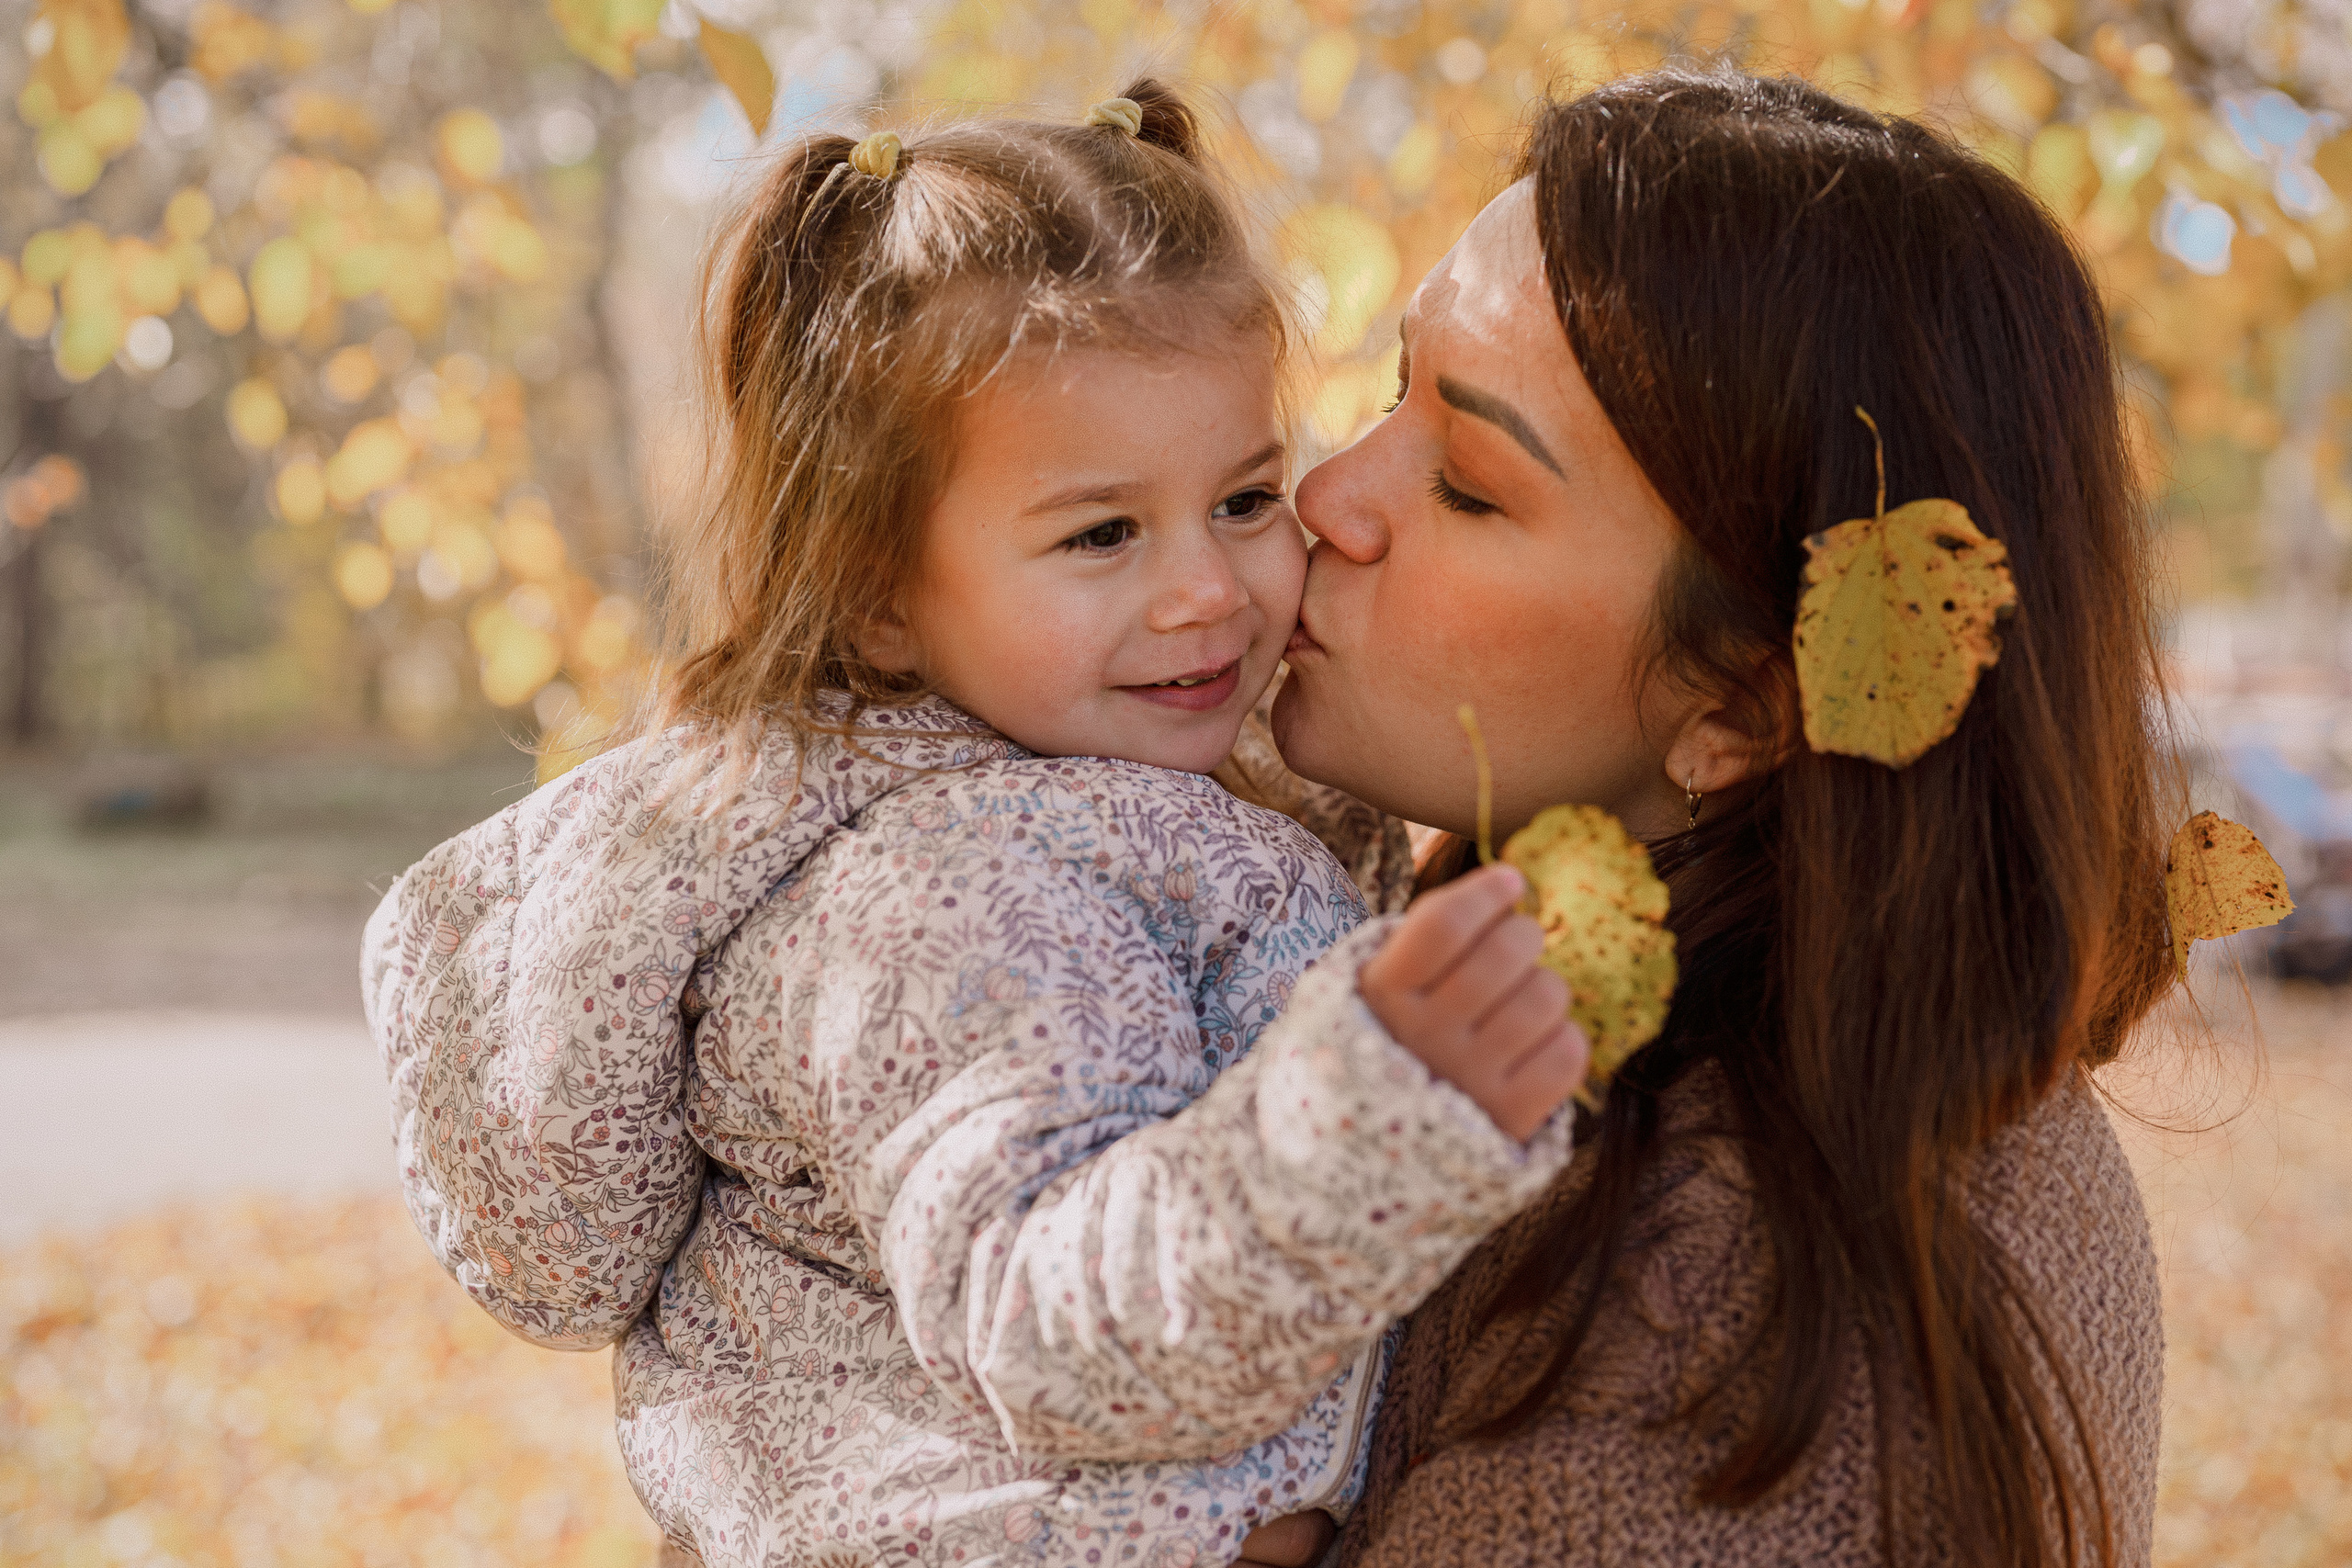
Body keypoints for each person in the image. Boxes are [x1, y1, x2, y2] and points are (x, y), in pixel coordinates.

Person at [363, 83, 1589, 1568]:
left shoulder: (1137, 788)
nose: (1209, 588)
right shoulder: (952, 898)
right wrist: (1371, 1122)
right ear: (881, 594)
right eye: (1100, 534)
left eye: (1248, 496)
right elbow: (1051, 1328)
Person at [1265, 68, 2172, 1566]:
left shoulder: (1732, 1333)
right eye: (1386, 395)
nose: (1329, 497)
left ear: (1743, 708)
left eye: (1470, 487)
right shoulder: (1778, 1044)